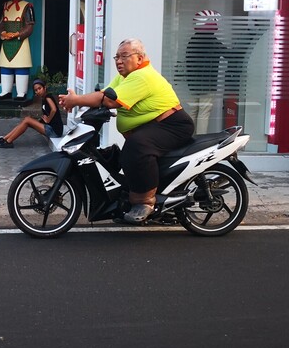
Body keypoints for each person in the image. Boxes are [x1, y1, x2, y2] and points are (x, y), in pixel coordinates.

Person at [59, 38, 194, 224]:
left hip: (173, 125)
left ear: (139, 58)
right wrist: (79, 100)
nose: (118, 61)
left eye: (124, 56)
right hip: (157, 126)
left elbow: (109, 100)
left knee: (137, 147)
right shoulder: (125, 77)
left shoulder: (142, 76)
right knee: (121, 156)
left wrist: (76, 100)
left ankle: (145, 202)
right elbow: (106, 93)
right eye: (117, 57)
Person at [184, 9, 229, 134]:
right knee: (204, 112)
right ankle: (200, 141)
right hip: (207, 84)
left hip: (193, 84)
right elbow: (229, 55)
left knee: (192, 111)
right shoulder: (212, 41)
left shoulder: (193, 40)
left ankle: (188, 138)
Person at [0, 0, 35, 102]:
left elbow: (30, 27)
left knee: (21, 66)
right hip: (6, 42)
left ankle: (21, 93)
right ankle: (6, 91)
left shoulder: (28, 6)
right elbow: (0, 24)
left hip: (20, 42)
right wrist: (2, 33)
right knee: (5, 67)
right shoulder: (5, 5)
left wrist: (17, 34)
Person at [0, 79, 64, 148]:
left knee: (27, 120)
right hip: (50, 128)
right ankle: (4, 139)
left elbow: (54, 109)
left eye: (39, 88)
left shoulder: (48, 97)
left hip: (55, 131)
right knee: (26, 120)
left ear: (45, 88)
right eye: (36, 90)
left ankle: (8, 141)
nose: (38, 91)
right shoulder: (44, 99)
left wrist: (48, 119)